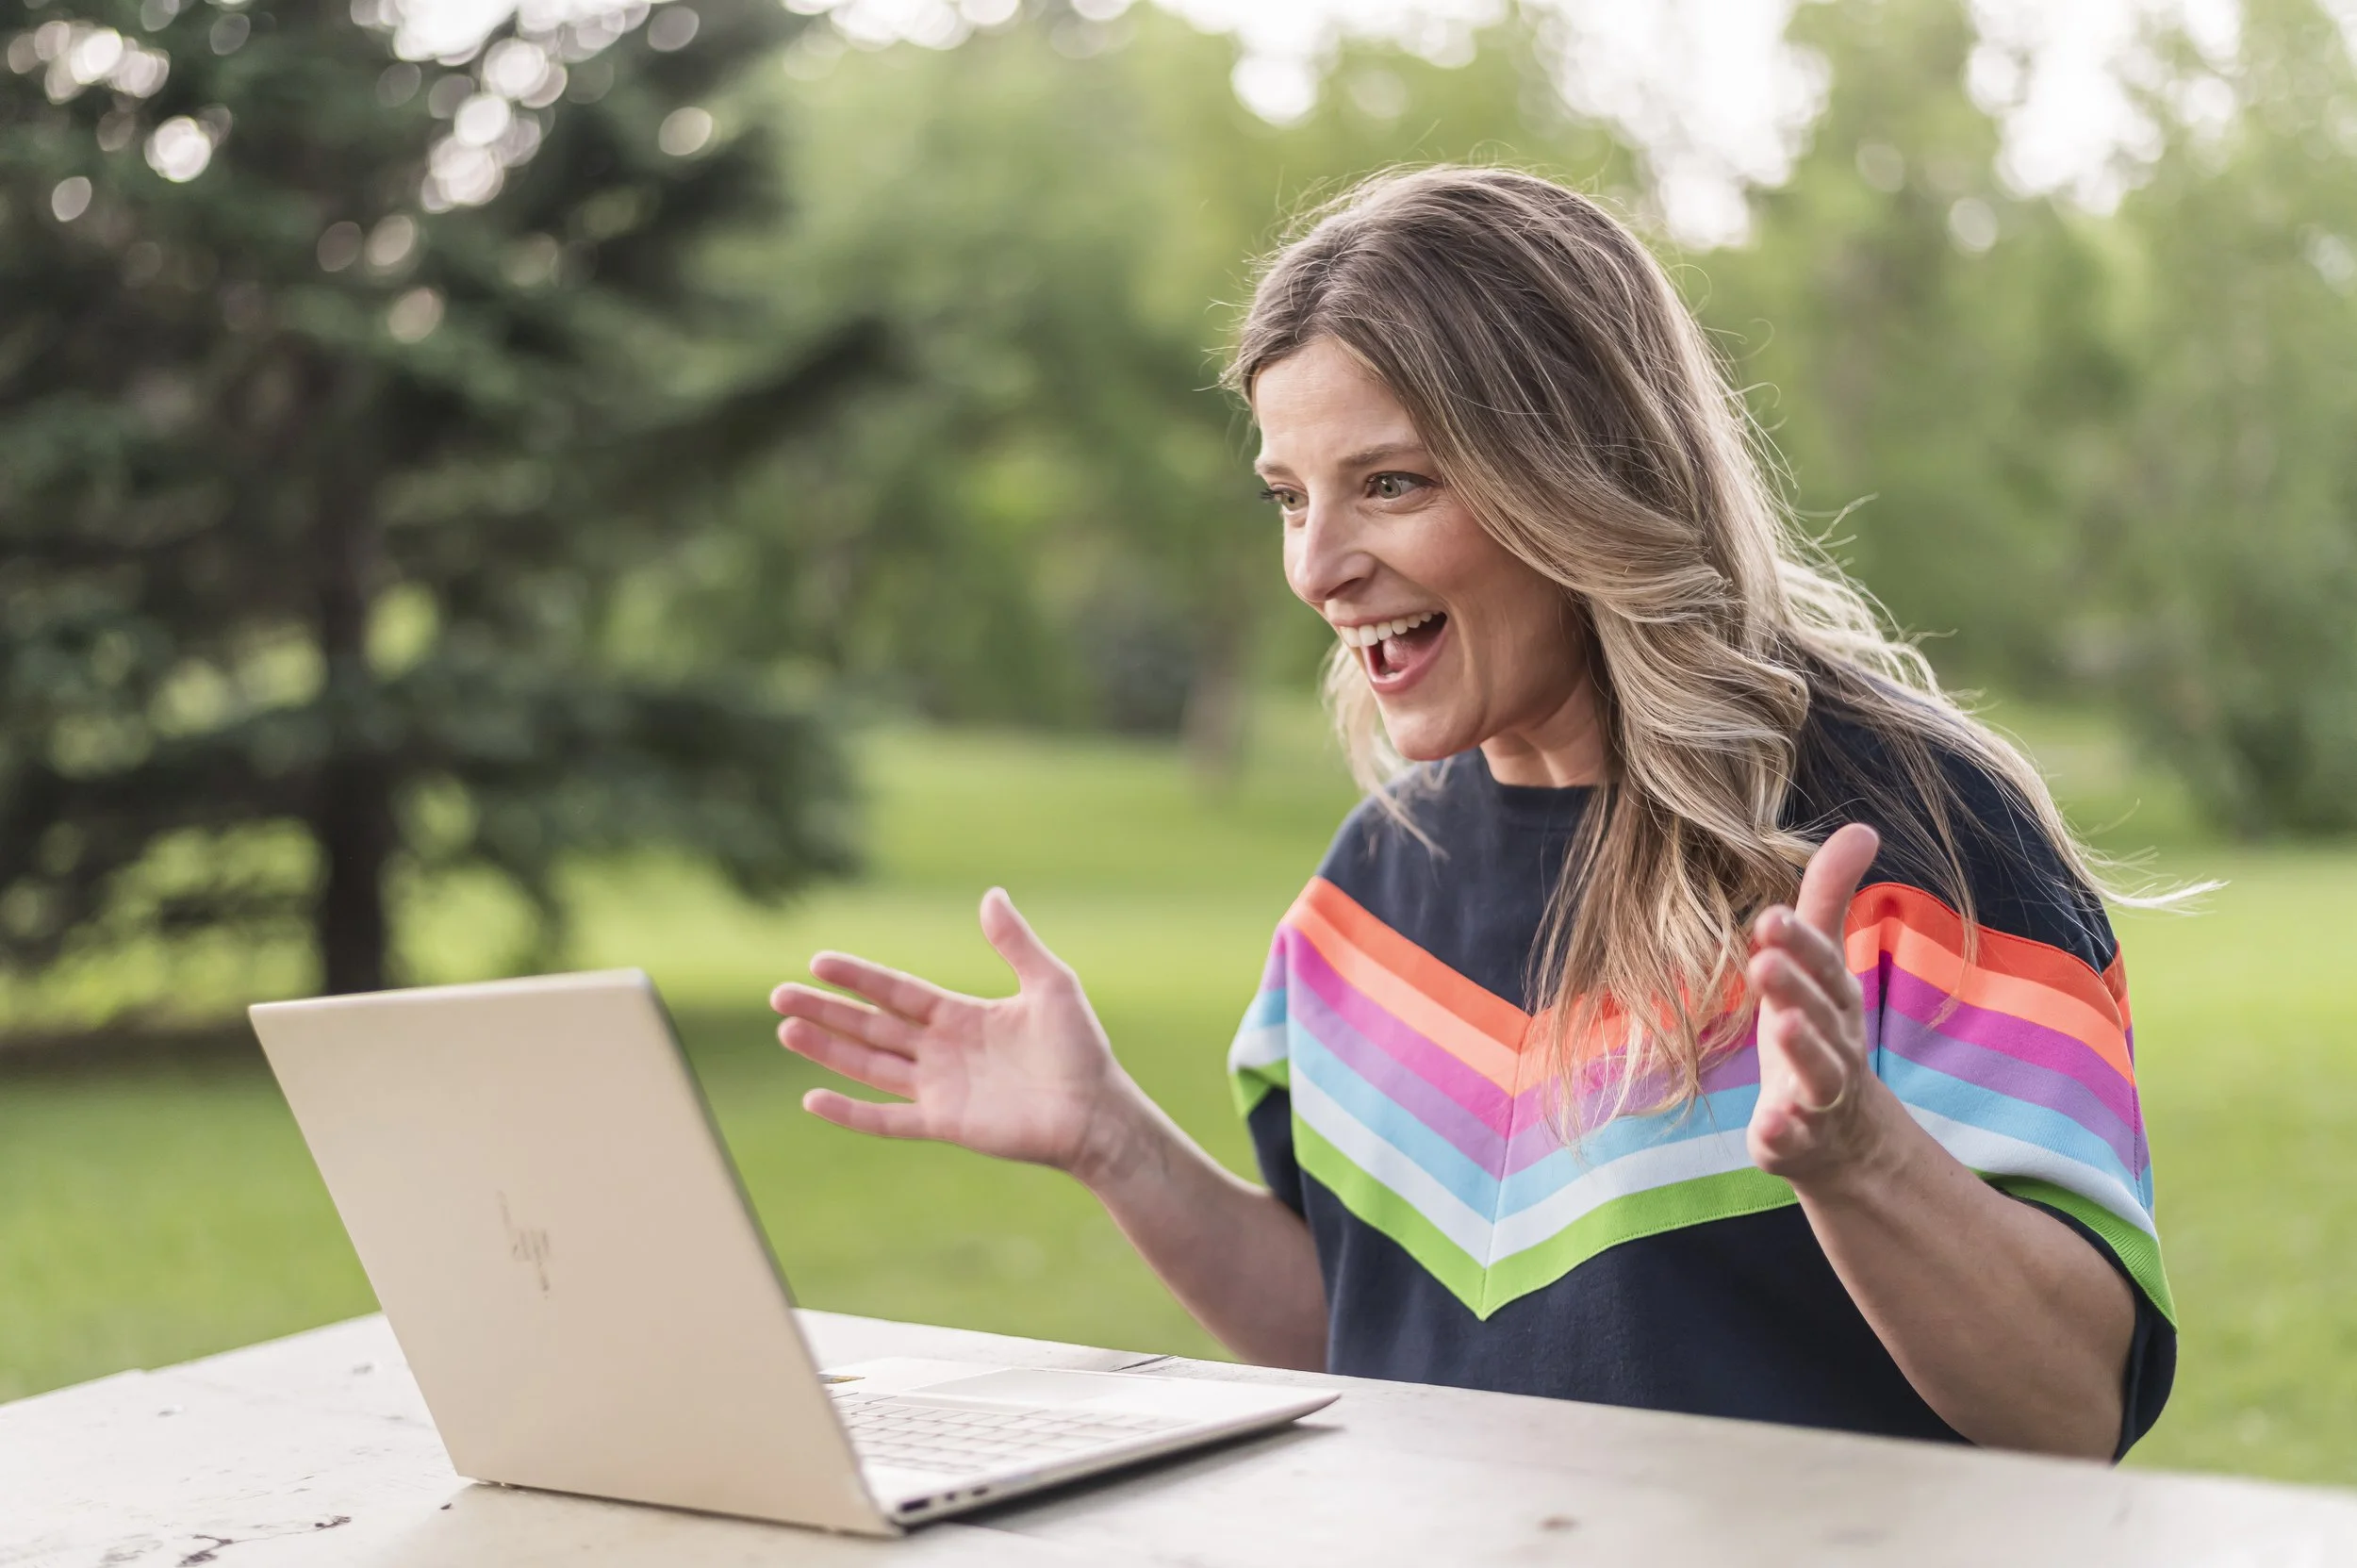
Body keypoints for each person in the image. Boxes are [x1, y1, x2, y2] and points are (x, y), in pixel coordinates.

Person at [770, 166, 2174, 1460]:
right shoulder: (1373, 889)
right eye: (1287, 496)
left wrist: (1864, 1161)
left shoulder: (1917, 838)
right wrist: (1110, 1136)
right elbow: (1369, 1332)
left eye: (1391, 483)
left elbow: (2071, 1411)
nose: (1319, 567)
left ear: (1577, 471)